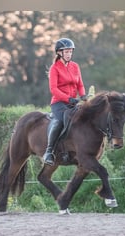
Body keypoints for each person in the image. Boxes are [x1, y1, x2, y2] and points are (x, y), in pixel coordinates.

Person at [43, 37, 87, 166]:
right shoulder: (54, 68)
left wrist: (83, 96)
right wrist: (68, 99)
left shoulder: (75, 66)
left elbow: (80, 84)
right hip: (59, 102)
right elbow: (54, 89)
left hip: (73, 101)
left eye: (70, 52)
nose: (69, 54)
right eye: (66, 52)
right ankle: (49, 151)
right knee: (62, 120)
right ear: (59, 53)